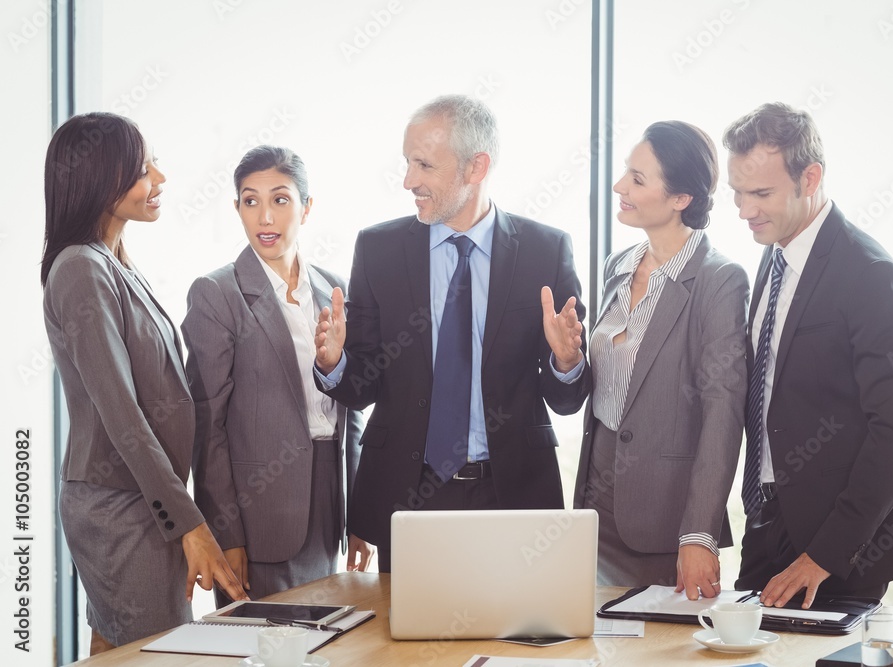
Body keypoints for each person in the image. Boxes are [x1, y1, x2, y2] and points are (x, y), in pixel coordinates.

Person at [313, 94, 591, 571]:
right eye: (407, 162)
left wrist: (567, 363)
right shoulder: (379, 249)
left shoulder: (546, 250)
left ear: (476, 167)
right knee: (408, 643)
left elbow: (565, 400)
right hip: (409, 494)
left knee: (515, 641)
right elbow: (363, 390)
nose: (408, 181)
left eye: (424, 165)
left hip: (514, 494)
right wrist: (333, 363)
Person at [41, 112, 246, 654]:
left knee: (117, 648)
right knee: (161, 651)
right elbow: (122, 413)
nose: (159, 179)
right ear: (97, 181)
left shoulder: (113, 261)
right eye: (142, 168)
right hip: (122, 506)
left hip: (133, 498)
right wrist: (190, 526)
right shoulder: (82, 269)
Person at [724, 102, 893, 608]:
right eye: (738, 194)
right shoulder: (772, 256)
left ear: (810, 177)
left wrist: (824, 555)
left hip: (838, 549)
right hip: (764, 524)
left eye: (761, 194)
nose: (745, 210)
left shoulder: (873, 275)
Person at [181, 146, 371, 605]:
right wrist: (225, 532)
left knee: (330, 645)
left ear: (307, 207)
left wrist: (360, 516)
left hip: (330, 507)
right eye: (251, 201)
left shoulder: (333, 288)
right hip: (256, 515)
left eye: (280, 200)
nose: (265, 216)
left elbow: (354, 408)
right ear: (237, 208)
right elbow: (208, 426)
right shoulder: (217, 293)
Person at [573, 121, 749, 596]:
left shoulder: (720, 281)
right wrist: (568, 355)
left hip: (665, 514)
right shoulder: (618, 265)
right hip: (596, 501)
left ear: (680, 199)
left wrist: (699, 533)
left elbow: (723, 414)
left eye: (637, 178)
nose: (619, 187)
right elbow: (614, 386)